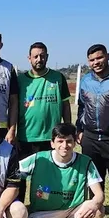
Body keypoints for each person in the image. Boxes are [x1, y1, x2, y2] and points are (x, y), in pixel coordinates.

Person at [20, 123, 105, 218]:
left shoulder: (85, 162)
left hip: (73, 211)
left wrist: (94, 203)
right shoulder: (38, 159)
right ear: (52, 143)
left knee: (98, 209)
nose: (64, 145)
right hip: (45, 211)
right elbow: (13, 174)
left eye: (69, 141)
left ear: (75, 143)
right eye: (60, 141)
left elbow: (99, 195)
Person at [76, 44, 109, 212]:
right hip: (91, 138)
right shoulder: (86, 80)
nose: (96, 62)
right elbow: (82, 107)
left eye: (99, 58)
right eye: (92, 60)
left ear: (107, 56)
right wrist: (79, 129)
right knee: (93, 180)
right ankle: (95, 213)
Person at [16, 42, 71, 202]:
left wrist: (68, 129)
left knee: (45, 178)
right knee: (20, 178)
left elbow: (66, 105)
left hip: (50, 139)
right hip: (26, 138)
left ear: (47, 57)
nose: (39, 59)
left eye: (42, 56)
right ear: (29, 58)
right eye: (35, 56)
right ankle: (18, 207)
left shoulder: (58, 78)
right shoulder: (20, 80)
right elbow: (13, 106)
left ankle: (41, 206)